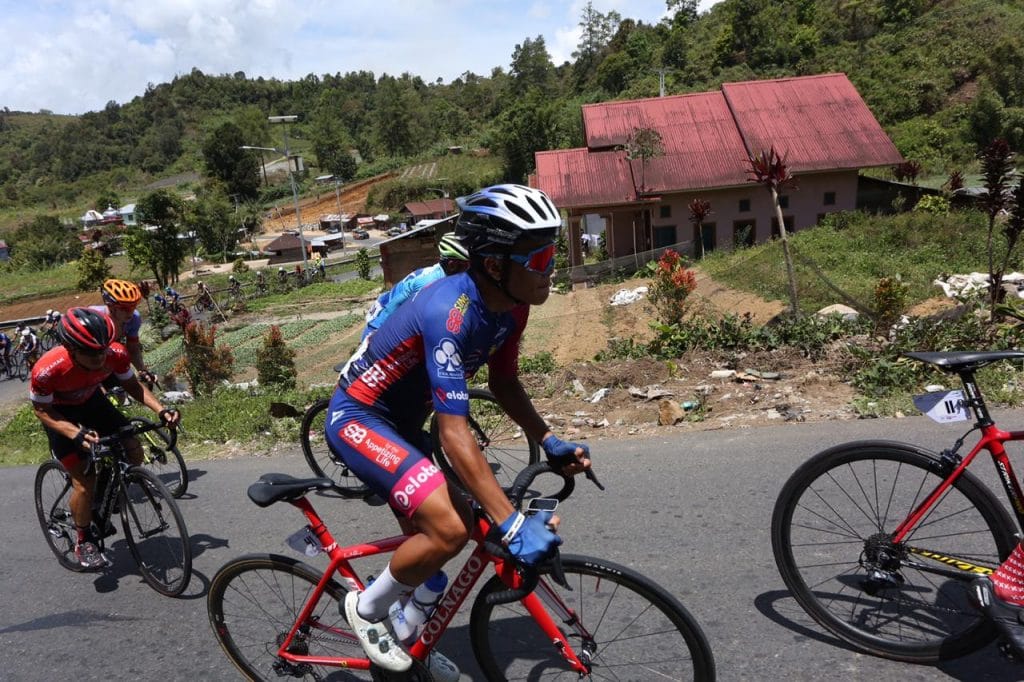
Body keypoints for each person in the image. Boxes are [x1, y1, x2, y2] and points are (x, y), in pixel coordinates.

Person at [326, 184, 590, 674]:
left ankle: (407, 633)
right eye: (540, 257)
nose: (551, 268)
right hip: (358, 419)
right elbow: (453, 433)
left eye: (555, 251)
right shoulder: (449, 313)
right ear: (494, 264)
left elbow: (505, 382)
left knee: (458, 531)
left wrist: (550, 441)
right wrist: (512, 524)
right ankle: (366, 611)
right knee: (451, 528)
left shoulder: (513, 307)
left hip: (403, 423)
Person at [29, 307, 179, 568]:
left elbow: (133, 387)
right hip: (60, 414)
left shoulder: (115, 354)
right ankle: (83, 538)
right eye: (91, 353)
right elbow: (42, 409)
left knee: (134, 450)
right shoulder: (47, 370)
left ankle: (108, 491)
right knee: (84, 482)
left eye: (103, 350)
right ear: (71, 348)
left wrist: (162, 409)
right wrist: (75, 432)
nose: (100, 358)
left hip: (93, 403)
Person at [361, 233, 470, 340]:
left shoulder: (442, 275)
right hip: (379, 324)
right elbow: (395, 305)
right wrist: (375, 333)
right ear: (452, 265)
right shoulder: (429, 282)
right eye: (467, 266)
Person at [92, 279, 156, 385]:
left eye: (134, 306)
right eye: (125, 308)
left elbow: (133, 349)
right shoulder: (95, 318)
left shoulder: (134, 318)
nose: (130, 312)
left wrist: (142, 370)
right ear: (110, 306)